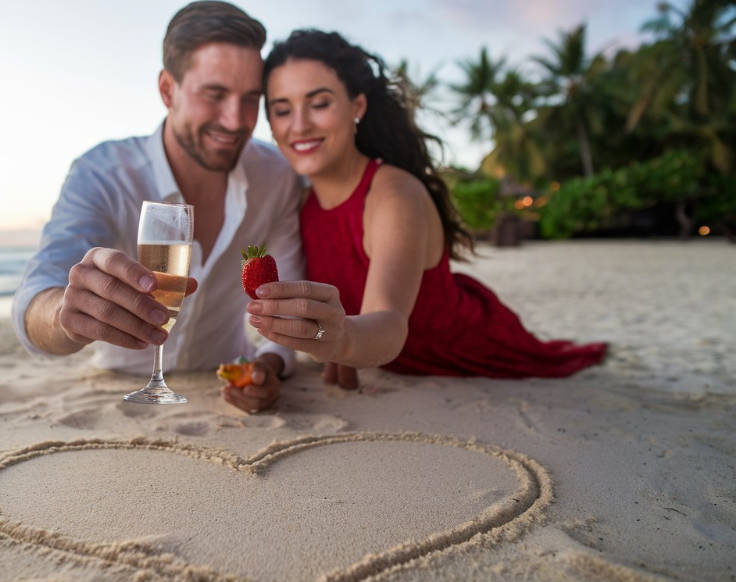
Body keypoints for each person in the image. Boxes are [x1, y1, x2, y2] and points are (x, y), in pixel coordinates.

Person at [247, 29, 607, 389]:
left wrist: (342, 341)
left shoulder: (393, 194)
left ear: (357, 106)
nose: (299, 125)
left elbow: (388, 320)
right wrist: (340, 347)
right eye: (282, 110)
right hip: (381, 363)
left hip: (467, 356)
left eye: (320, 103)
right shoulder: (298, 201)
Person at [12, 2, 305, 412]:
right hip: (119, 392)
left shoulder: (277, 177)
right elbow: (32, 303)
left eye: (250, 99)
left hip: (217, 392)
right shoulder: (103, 172)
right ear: (168, 90)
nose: (237, 120)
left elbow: (283, 305)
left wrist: (268, 366)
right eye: (215, 94)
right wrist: (66, 312)